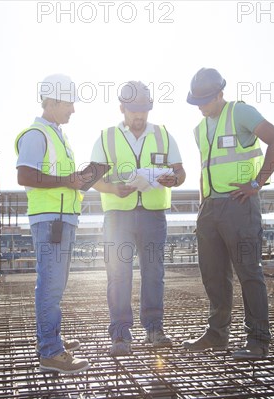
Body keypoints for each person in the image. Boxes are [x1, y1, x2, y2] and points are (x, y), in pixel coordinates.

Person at [182, 68, 274, 360]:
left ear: (220, 94)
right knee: (213, 276)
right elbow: (205, 170)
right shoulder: (199, 129)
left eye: (205, 100)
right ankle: (217, 334)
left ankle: (258, 340)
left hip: (239, 206)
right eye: (197, 102)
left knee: (249, 274)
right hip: (210, 209)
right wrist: (203, 205)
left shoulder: (240, 112)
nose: (201, 106)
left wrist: (257, 183)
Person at [90, 81, 186, 356]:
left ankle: (154, 329)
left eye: (144, 109)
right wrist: (113, 189)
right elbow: (92, 178)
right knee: (118, 274)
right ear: (122, 108)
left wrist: (174, 178)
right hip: (118, 216)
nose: (139, 116)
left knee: (153, 273)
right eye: (133, 110)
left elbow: (181, 172)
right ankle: (120, 334)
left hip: (153, 216)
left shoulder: (163, 135)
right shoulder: (106, 137)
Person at [15, 73, 92, 373]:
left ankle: (52, 339)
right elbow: (24, 175)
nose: (73, 109)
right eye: (70, 103)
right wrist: (66, 180)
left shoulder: (58, 134)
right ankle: (50, 350)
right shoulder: (37, 134)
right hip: (50, 221)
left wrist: (78, 181)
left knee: (55, 284)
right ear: (55, 100)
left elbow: (61, 180)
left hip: (63, 219)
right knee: (50, 284)